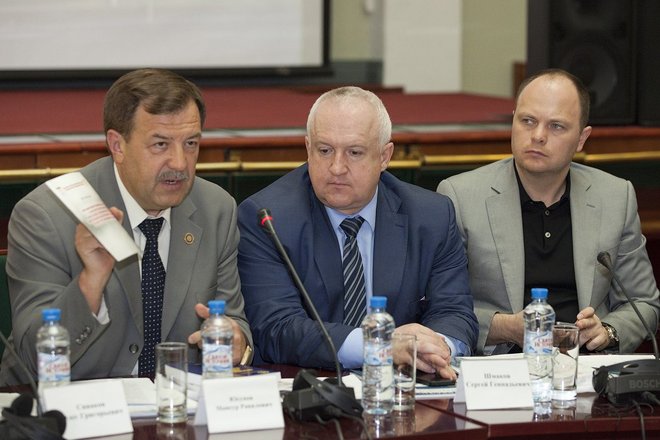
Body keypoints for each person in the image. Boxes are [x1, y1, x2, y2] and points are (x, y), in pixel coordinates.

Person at [0, 68, 252, 385]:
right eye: (160, 145)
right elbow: (32, 357)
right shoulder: (47, 215)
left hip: (174, 404)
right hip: (69, 402)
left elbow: (234, 321)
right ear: (117, 145)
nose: (180, 162)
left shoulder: (215, 209)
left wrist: (237, 341)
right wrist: (90, 284)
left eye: (191, 143)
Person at [237, 86, 477, 379]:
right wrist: (381, 346)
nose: (337, 167)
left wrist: (436, 348)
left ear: (385, 156)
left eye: (354, 152)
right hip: (309, 388)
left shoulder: (431, 216)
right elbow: (277, 328)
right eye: (324, 150)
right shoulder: (268, 218)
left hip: (403, 387)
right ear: (308, 149)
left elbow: (455, 312)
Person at [437, 68, 660, 355]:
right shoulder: (460, 197)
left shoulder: (615, 196)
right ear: (513, 122)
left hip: (585, 364)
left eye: (556, 126)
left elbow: (644, 303)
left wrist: (607, 331)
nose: (538, 136)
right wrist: (505, 327)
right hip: (500, 367)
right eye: (528, 121)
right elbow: (438, 305)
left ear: (582, 138)